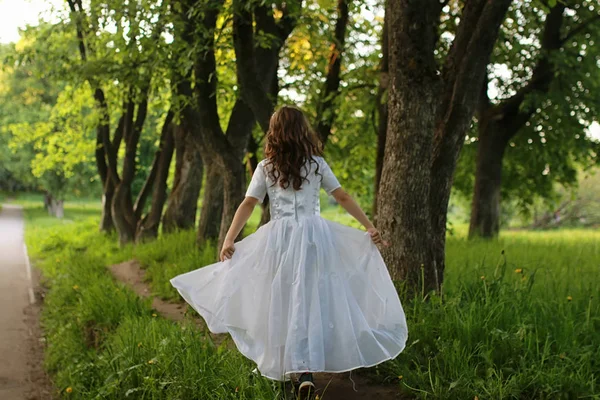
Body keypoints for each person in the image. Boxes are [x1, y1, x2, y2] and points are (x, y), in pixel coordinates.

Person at [170, 106, 408, 398]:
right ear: (302, 131)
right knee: (308, 299)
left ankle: (296, 368)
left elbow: (249, 203)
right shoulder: (317, 164)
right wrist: (369, 227)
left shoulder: (266, 167)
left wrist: (229, 239)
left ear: (275, 133)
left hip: (279, 239)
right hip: (314, 239)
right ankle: (304, 366)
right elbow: (342, 196)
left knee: (282, 298)